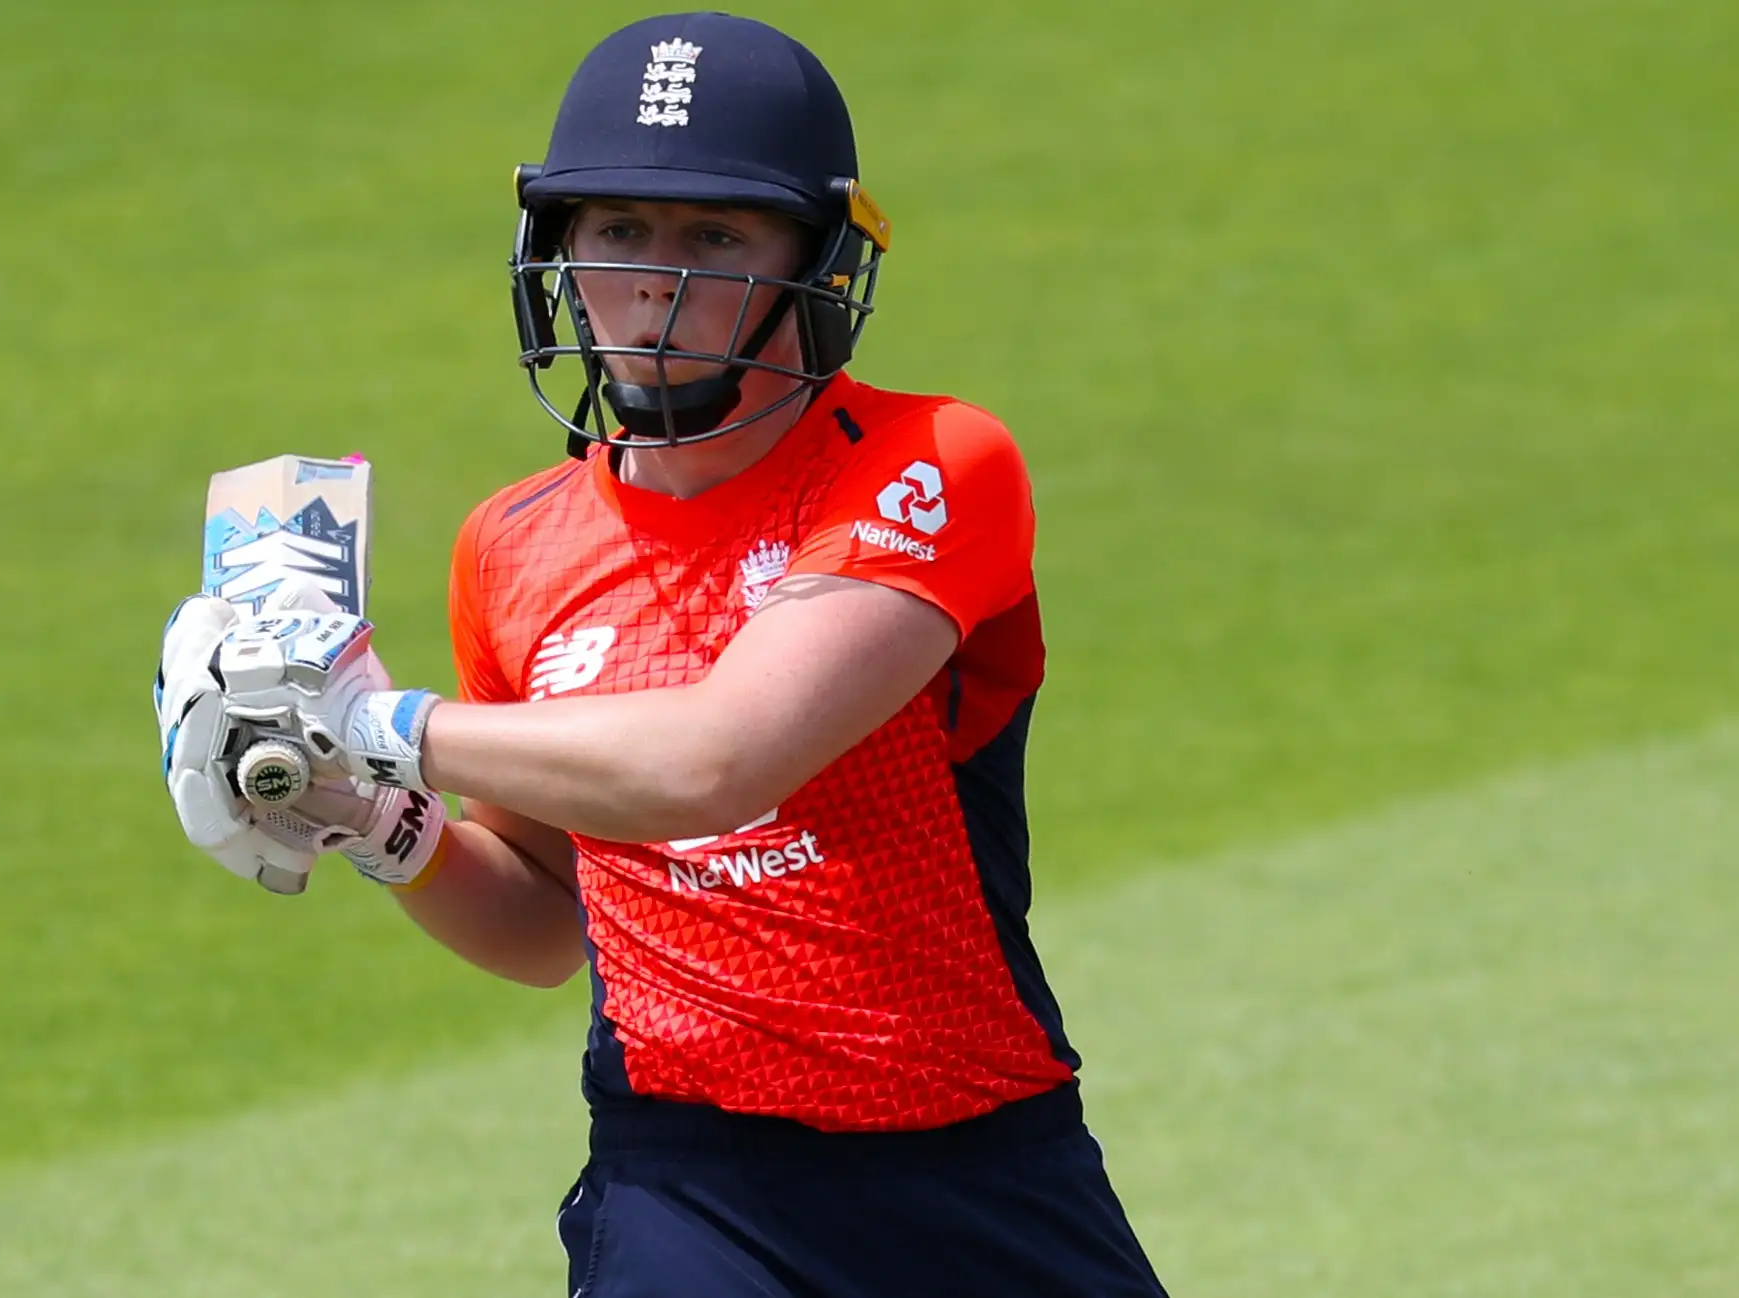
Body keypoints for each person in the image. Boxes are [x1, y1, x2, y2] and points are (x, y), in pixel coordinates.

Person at [156, 12, 1168, 1296]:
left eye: (716, 237)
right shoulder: (511, 546)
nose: (658, 281)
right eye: (621, 230)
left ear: (819, 260)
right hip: (685, 1184)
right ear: (560, 251)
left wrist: (373, 723)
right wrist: (364, 815)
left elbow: (717, 761)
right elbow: (542, 918)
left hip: (980, 1164)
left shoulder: (927, 463)